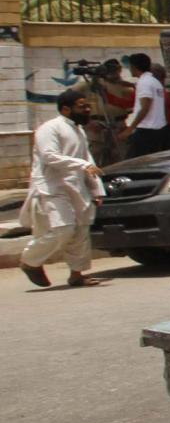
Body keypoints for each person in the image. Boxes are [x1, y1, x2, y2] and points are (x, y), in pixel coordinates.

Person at [19, 89, 105, 289]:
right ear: (66, 109)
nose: (87, 109)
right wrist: (82, 165)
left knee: (81, 230)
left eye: (87, 106)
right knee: (63, 229)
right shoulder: (49, 129)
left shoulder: (78, 130)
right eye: (82, 106)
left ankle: (76, 274)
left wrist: (96, 189)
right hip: (52, 187)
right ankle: (30, 261)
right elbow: (50, 156)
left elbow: (88, 160)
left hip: (76, 186)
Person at [124, 52, 170, 157]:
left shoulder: (144, 82)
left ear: (133, 67)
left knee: (134, 163)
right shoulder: (155, 82)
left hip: (146, 131)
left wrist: (130, 128)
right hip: (159, 130)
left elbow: (145, 107)